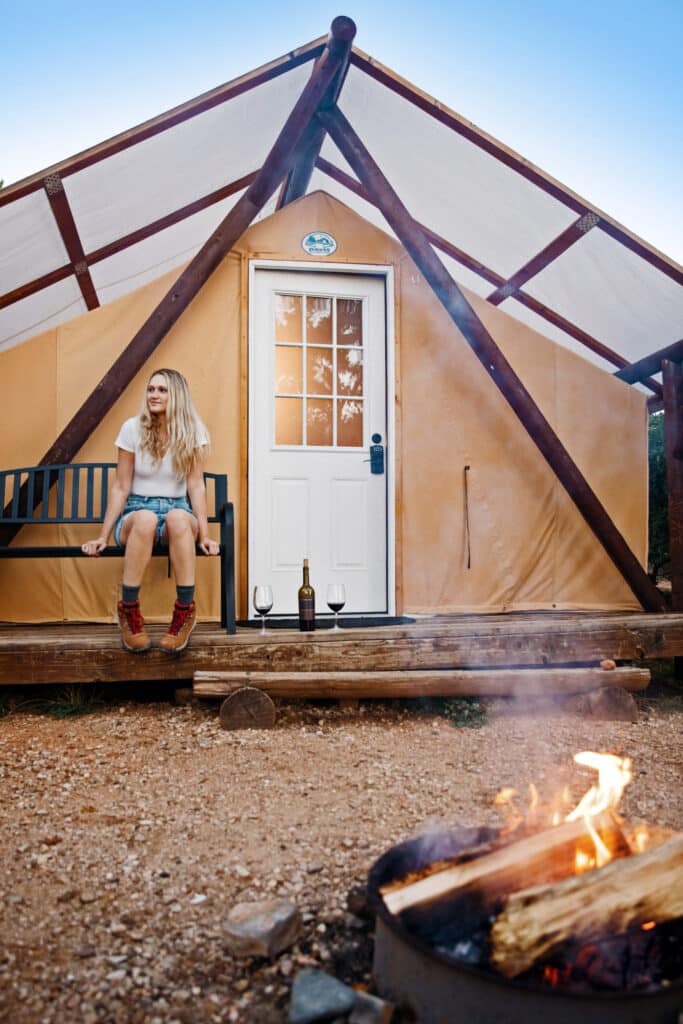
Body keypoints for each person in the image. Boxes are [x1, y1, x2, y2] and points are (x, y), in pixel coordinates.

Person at [82, 368, 220, 653]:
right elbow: (121, 487)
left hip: (177, 512)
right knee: (145, 519)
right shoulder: (132, 428)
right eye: (151, 389)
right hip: (136, 511)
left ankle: (184, 611)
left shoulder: (193, 430)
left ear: (177, 396)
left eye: (162, 390)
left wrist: (205, 535)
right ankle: (129, 610)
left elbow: (196, 486)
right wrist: (102, 536)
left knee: (178, 517)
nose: (154, 395)